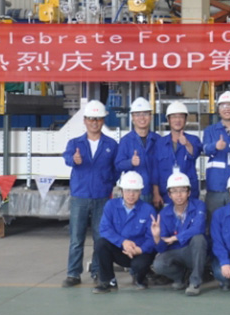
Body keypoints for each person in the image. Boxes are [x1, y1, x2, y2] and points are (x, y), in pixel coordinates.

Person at [61, 100, 118, 288]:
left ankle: (98, 271)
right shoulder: (75, 143)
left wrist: (108, 183)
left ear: (103, 121)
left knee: (100, 237)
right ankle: (73, 274)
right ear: (85, 120)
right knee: (76, 238)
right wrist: (74, 159)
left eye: (98, 119)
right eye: (91, 119)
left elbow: (116, 168)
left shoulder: (111, 144)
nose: (94, 122)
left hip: (102, 196)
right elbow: (67, 157)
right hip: (80, 197)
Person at [93, 171, 157, 294]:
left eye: (135, 191)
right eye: (127, 190)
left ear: (140, 192)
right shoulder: (111, 205)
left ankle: (141, 278)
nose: (131, 195)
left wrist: (140, 250)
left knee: (140, 264)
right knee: (101, 244)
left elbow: (152, 238)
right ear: (121, 191)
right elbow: (105, 229)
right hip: (120, 250)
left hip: (139, 251)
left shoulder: (148, 210)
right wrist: (123, 242)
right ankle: (108, 281)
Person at [151, 172, 209, 296]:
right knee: (158, 264)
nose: (179, 195)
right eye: (174, 191)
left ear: (189, 192)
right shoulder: (164, 214)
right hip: (176, 253)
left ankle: (195, 282)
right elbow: (162, 248)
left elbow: (198, 228)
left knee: (199, 239)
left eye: (182, 190)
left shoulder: (199, 206)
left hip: (194, 252)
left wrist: (176, 238)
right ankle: (181, 277)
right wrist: (157, 237)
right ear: (169, 195)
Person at [152, 101, 203, 207]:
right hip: (166, 195)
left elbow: (194, 154)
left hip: (189, 196)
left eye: (181, 116)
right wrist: (156, 194)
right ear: (168, 120)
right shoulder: (160, 143)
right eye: (174, 117)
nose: (177, 120)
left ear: (185, 119)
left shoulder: (193, 140)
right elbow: (155, 171)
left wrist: (187, 144)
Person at [115, 97, 160, 203]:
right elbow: (118, 165)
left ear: (151, 116)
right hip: (134, 194)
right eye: (137, 114)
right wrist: (130, 162)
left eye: (145, 113)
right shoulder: (126, 141)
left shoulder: (158, 140)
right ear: (132, 118)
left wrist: (157, 193)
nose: (142, 117)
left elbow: (160, 168)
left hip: (154, 193)